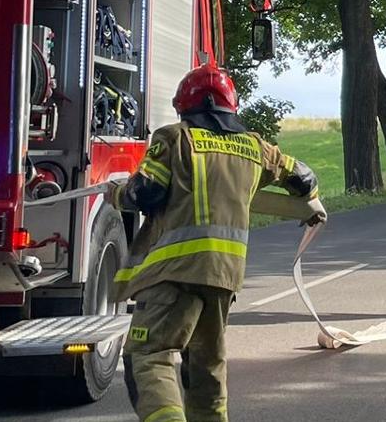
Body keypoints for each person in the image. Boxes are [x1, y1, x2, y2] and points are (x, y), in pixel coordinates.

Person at [116, 64, 325, 422]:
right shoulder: (255, 148)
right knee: (206, 369)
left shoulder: (173, 139)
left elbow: (146, 193)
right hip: (223, 279)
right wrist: (310, 205)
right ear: (232, 107)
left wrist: (119, 193)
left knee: (150, 355)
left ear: (184, 106)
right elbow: (305, 179)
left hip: (172, 273)